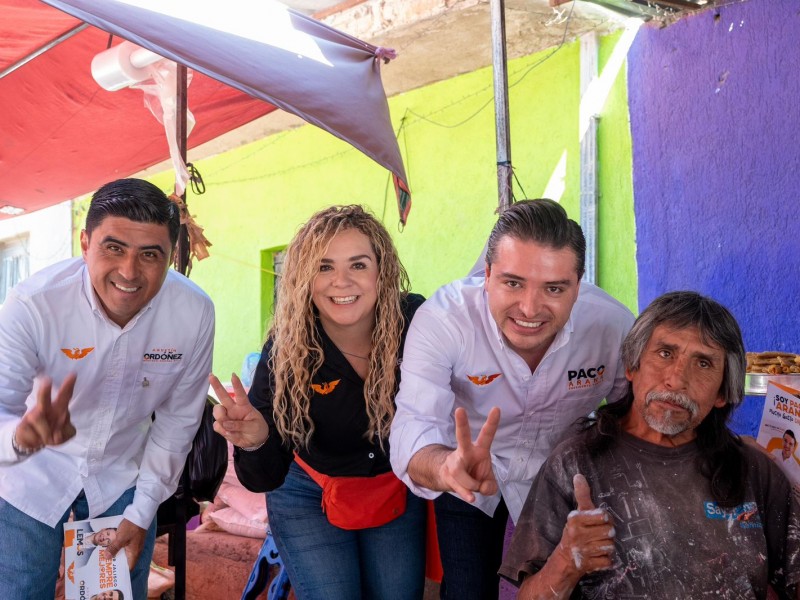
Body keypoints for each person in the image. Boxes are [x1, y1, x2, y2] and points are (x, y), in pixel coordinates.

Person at [389, 198, 635, 599]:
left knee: (574, 590)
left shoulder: (612, 326)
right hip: (466, 462)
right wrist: (447, 467)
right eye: (513, 282)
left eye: (554, 288)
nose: (530, 308)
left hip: (561, 471)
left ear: (579, 283)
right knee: (468, 590)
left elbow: (635, 410)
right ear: (486, 275)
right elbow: (412, 427)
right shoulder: (444, 319)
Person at [500, 291, 800, 599]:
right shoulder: (575, 464)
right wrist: (567, 560)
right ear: (632, 366)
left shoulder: (754, 472)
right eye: (665, 353)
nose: (677, 379)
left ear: (723, 392)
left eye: (703, 363)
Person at [0, 178, 215, 599]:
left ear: (172, 256)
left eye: (150, 255)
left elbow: (177, 423)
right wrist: (21, 438)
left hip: (123, 481)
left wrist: (142, 510)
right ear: (84, 243)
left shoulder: (193, 312)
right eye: (113, 248)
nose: (129, 272)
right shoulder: (33, 305)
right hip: (29, 479)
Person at [211, 205, 427, 600]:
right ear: (305, 278)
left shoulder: (415, 321)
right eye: (324, 267)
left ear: (383, 270)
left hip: (392, 486)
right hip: (309, 494)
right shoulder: (287, 350)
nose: (341, 282)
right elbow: (264, 476)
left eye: (358, 265)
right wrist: (256, 439)